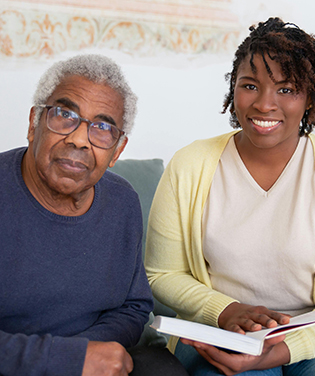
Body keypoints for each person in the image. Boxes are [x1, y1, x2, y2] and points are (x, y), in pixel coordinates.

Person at [145, 17, 315, 375]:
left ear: (310, 99)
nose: (264, 104)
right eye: (250, 85)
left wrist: (277, 352)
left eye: (286, 89)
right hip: (220, 328)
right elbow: (161, 273)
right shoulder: (190, 164)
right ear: (233, 90)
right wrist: (227, 310)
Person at [0, 54, 188, 376]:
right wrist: (65, 360)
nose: (78, 139)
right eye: (64, 115)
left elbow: (134, 305)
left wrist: (87, 353)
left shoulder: (123, 202)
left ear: (117, 150)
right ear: (34, 123)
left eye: (102, 128)